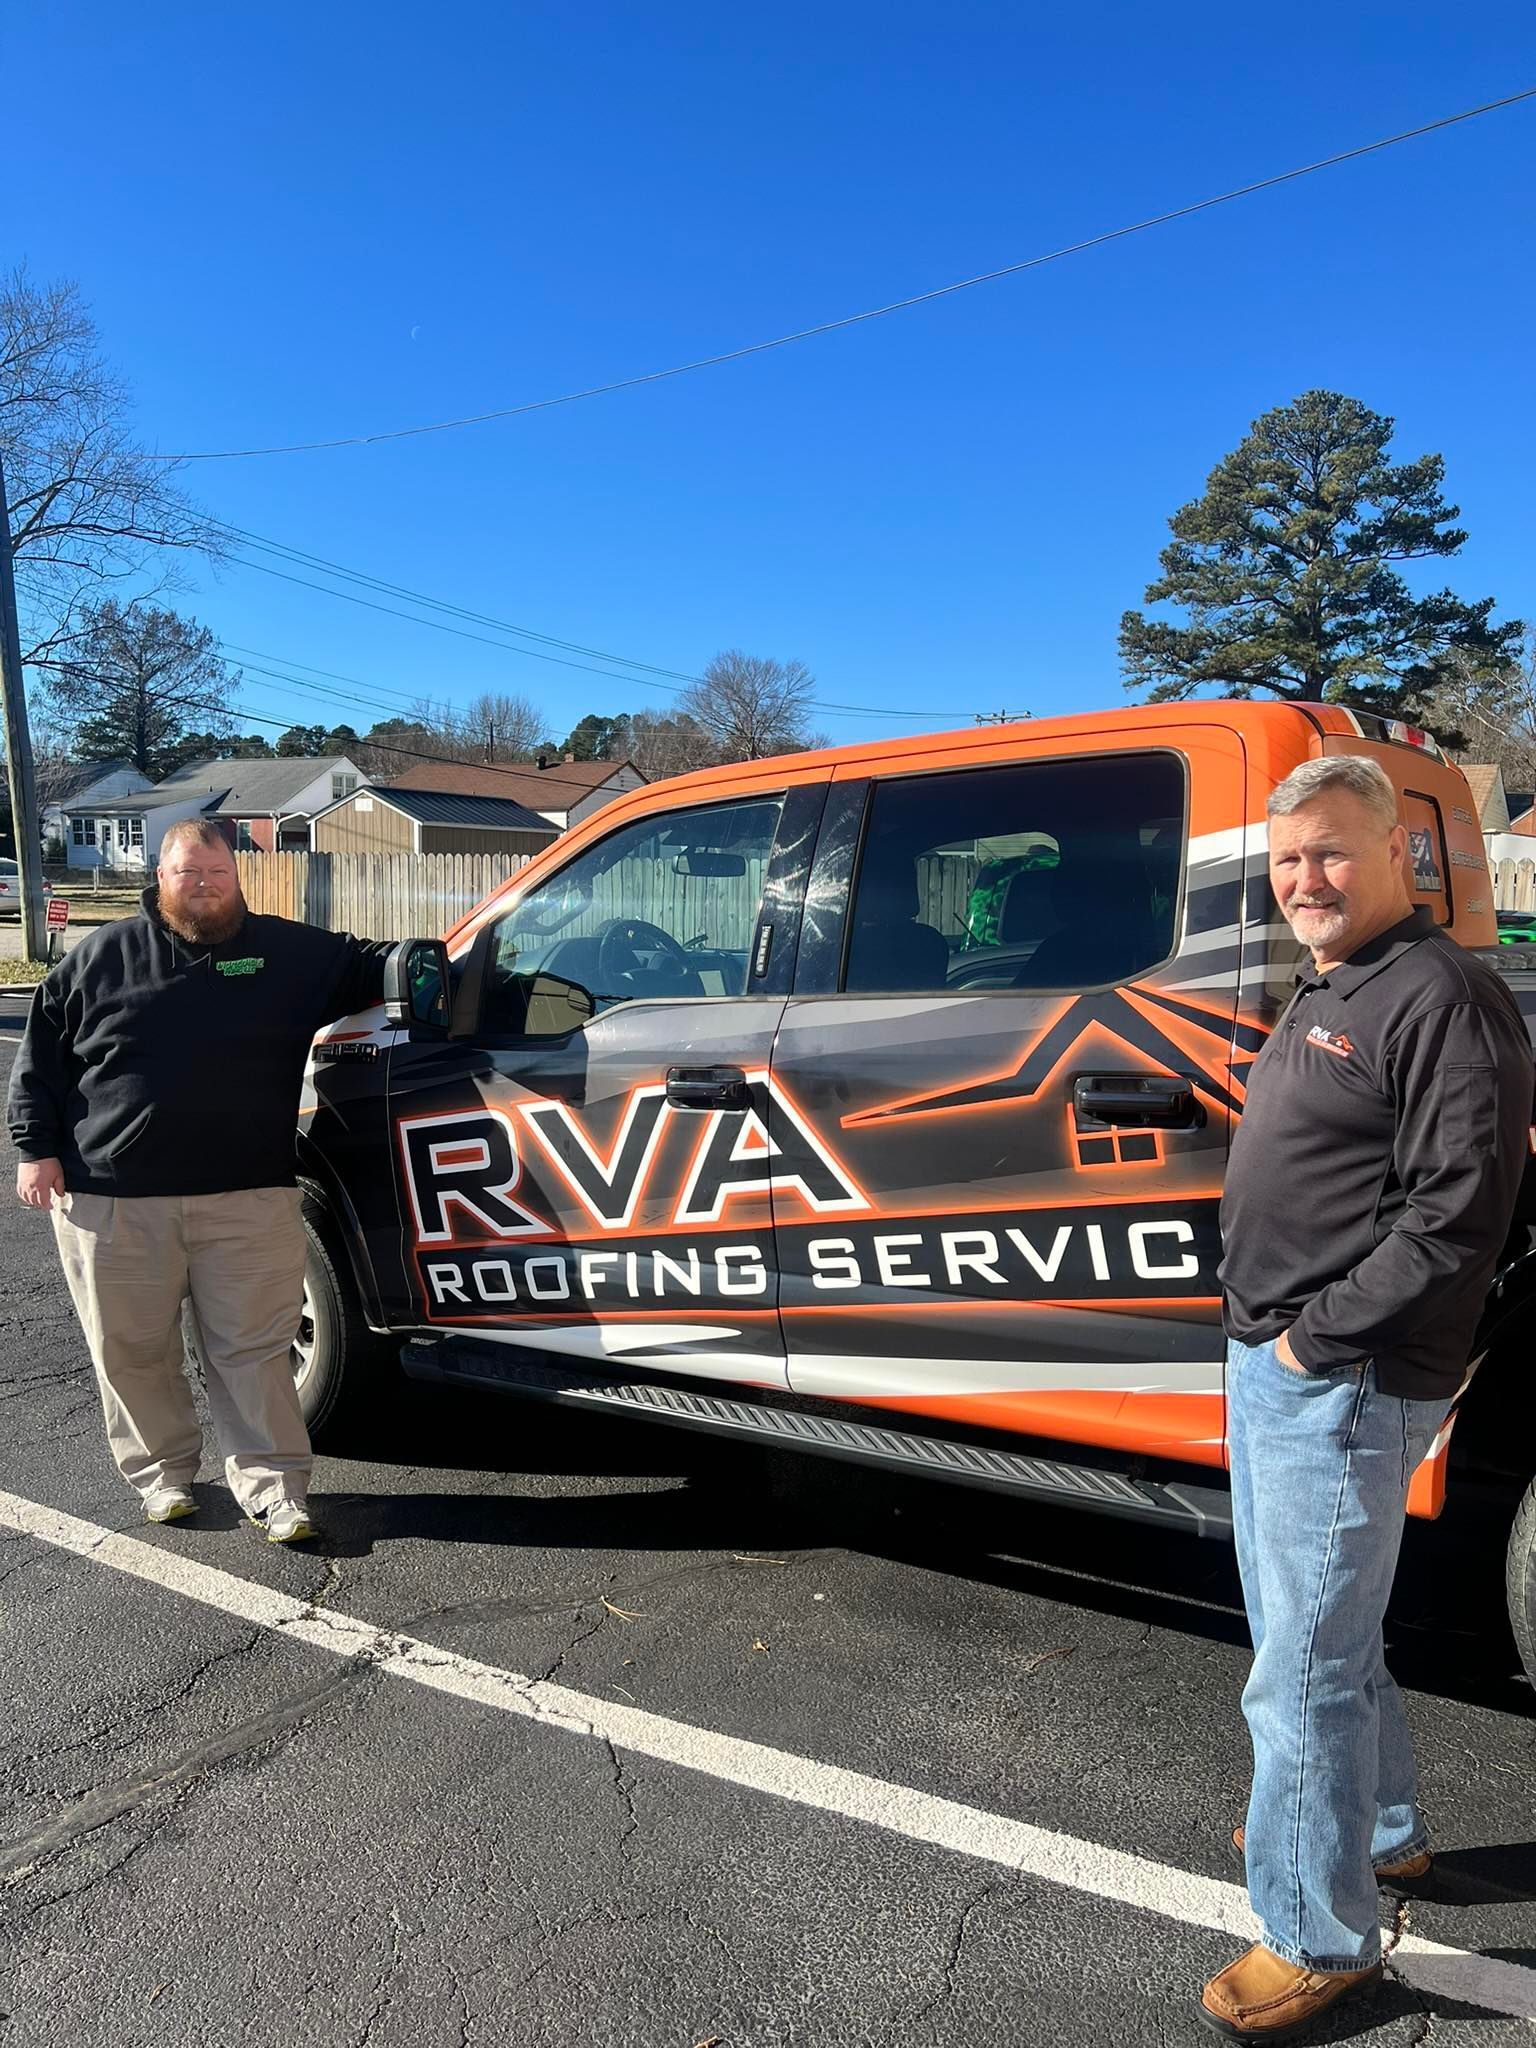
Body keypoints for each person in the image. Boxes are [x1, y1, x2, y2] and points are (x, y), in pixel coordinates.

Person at [1204, 757, 1533, 2040]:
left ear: (1401, 852)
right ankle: (1380, 1835)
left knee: (1300, 1673)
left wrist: (1309, 1343)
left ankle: (1317, 1933)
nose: (1305, 879)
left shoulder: (1444, 995)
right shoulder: (1338, 982)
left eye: (1331, 852)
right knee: (1320, 1641)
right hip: (1281, 1363)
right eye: (1288, 859)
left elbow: (1457, 1216)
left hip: (1336, 1378)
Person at [8, 819, 395, 1544]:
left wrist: (454, 967)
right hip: (112, 1202)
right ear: (161, 876)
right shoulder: (101, 957)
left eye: (218, 873)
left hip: (247, 1197)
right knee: (131, 1352)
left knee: (254, 1353)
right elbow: (42, 1060)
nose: (206, 886)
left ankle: (276, 1489)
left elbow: (376, 965)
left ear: (236, 875)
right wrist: (36, 1149)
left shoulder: (287, 953)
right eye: (190, 872)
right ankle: (164, 1478)